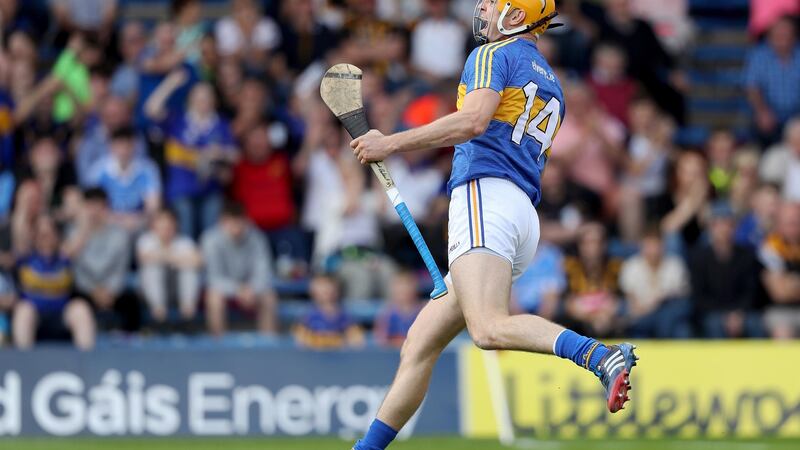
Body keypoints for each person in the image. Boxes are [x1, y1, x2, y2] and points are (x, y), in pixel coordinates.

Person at [348, 2, 638, 449]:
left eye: (493, 1)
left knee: (486, 329)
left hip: (486, 198)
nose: (482, 8)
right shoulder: (551, 80)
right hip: (519, 213)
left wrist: (391, 142)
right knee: (419, 344)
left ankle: (598, 355)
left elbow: (473, 120)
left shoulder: (492, 54)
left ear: (516, 17)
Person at [12, 215, 95, 350]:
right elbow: (19, 224)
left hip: (61, 315)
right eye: (41, 234)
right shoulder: (26, 256)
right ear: (34, 236)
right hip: (35, 315)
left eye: (49, 233)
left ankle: (86, 362)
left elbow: (83, 231)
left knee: (81, 308)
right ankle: (24, 363)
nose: (46, 237)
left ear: (57, 236)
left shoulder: (65, 257)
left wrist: (77, 208)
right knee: (23, 310)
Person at [63, 188, 139, 332]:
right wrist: (93, 291)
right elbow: (74, 268)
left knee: (131, 301)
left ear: (107, 208)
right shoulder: (73, 234)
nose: (94, 212)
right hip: (85, 290)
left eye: (99, 206)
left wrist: (110, 290)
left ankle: (131, 340)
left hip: (113, 291)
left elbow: (121, 268)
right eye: (90, 206)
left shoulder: (120, 235)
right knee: (73, 297)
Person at [200, 201, 278, 336]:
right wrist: (238, 290)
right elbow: (213, 278)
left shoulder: (257, 238)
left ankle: (268, 345)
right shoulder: (210, 239)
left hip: (251, 290)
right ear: (222, 222)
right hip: (226, 290)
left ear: (246, 221)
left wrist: (251, 289)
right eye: (231, 223)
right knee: (214, 298)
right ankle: (218, 346)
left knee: (269, 297)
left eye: (239, 223)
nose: (236, 228)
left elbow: (263, 271)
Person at [690, 202, 766, 338]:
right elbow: (699, 296)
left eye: (728, 224)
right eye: (719, 224)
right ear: (711, 228)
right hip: (713, 312)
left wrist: (737, 313)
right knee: (713, 324)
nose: (724, 229)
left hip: (742, 312)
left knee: (755, 324)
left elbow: (752, 291)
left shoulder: (747, 256)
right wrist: (726, 314)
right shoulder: (699, 257)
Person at [620, 228, 691, 338]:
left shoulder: (674, 264)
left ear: (662, 246)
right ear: (641, 246)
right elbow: (630, 297)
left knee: (675, 320)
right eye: (648, 245)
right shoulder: (631, 265)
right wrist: (639, 307)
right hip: (641, 314)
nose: (652, 250)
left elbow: (673, 295)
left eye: (655, 245)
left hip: (667, 312)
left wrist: (654, 303)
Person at [136, 209, 202, 327]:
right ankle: (158, 312)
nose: (166, 228)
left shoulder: (184, 241)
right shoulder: (146, 240)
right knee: (152, 269)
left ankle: (187, 312)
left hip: (176, 288)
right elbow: (144, 257)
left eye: (169, 225)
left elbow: (198, 261)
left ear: (175, 225)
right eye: (162, 224)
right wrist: (176, 258)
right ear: (154, 225)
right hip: (149, 290)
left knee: (189, 270)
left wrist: (164, 256)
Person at [744, 16, 800, 145]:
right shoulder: (759, 56)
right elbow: (752, 88)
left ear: (794, 36)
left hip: (797, 114)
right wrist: (762, 111)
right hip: (769, 113)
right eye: (779, 34)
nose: (783, 38)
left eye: (786, 34)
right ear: (770, 36)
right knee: (761, 127)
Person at [759, 202, 800, 339]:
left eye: (797, 221)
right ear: (779, 224)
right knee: (782, 332)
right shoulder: (770, 247)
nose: (795, 227)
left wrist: (791, 283)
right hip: (780, 311)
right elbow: (779, 292)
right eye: (790, 223)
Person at [293, 272, 365, 349]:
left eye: (328, 288)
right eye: (321, 287)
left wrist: (345, 342)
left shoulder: (344, 316)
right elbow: (300, 340)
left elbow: (356, 340)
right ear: (312, 292)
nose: (326, 291)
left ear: (336, 291)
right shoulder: (308, 316)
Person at [374, 271, 424, 348]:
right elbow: (381, 342)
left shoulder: (423, 311)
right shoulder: (386, 314)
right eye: (399, 286)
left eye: (406, 285)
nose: (403, 290)